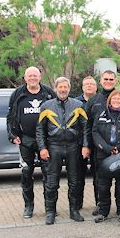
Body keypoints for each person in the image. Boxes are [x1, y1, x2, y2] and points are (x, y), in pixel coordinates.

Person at [36, 77, 90, 225]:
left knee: (75, 181)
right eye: (60, 87)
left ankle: (74, 211)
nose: (63, 90)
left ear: (69, 88)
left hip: (74, 147)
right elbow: (39, 130)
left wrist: (86, 146)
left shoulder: (78, 105)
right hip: (54, 147)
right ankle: (50, 213)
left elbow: (86, 128)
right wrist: (42, 148)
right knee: (51, 182)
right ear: (56, 88)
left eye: (65, 87)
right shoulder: (46, 106)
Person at [6, 66, 56, 219]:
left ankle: (50, 208)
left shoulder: (48, 93)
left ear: (40, 77)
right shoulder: (17, 94)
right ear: (25, 78)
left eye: (35, 75)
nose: (33, 78)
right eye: (30, 76)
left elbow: (58, 113)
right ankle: (29, 206)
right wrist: (12, 135)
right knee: (26, 173)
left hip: (46, 140)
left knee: (49, 174)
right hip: (25, 139)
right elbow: (10, 117)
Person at [85, 70, 120, 215]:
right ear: (100, 81)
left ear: (115, 80)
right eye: (105, 79)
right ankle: (101, 207)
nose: (108, 81)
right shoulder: (93, 101)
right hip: (101, 150)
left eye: (111, 79)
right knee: (100, 182)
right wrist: (88, 145)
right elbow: (89, 127)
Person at [91, 90, 120, 223]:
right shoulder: (101, 114)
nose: (116, 101)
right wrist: (106, 148)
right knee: (103, 185)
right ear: (109, 100)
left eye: (119, 99)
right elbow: (95, 132)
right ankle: (103, 211)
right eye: (114, 99)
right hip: (104, 154)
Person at [75, 75, 97, 209]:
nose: (89, 86)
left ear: (96, 86)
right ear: (82, 87)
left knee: (97, 176)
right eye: (86, 84)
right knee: (78, 175)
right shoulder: (75, 102)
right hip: (78, 143)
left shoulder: (101, 101)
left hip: (96, 142)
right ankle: (78, 204)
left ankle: (99, 204)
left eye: (92, 84)